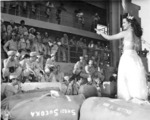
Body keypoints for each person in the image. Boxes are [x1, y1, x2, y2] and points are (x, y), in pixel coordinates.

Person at [95, 13, 148, 103]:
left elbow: (109, 37)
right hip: (135, 57)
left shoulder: (126, 33)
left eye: (124, 22)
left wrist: (100, 32)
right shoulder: (136, 35)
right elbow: (136, 48)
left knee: (125, 80)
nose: (122, 24)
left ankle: (127, 100)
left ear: (129, 23)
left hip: (127, 57)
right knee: (134, 79)